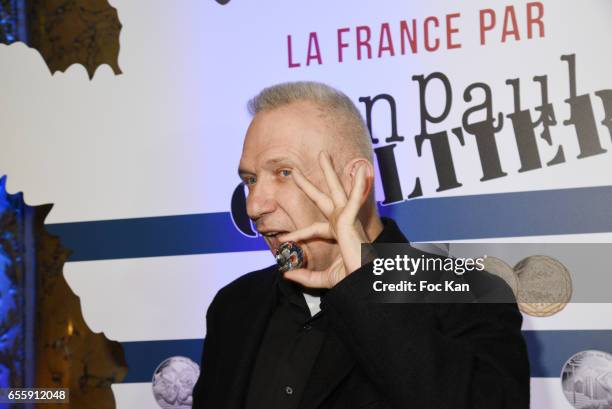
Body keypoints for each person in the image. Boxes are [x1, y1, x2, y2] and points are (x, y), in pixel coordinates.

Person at [191, 81, 530, 409]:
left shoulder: (471, 295)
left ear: (355, 181)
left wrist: (364, 288)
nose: (253, 206)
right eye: (250, 180)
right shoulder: (234, 305)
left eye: (283, 173)